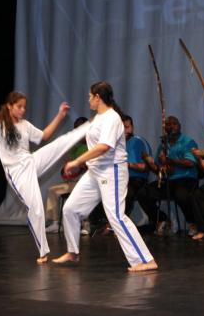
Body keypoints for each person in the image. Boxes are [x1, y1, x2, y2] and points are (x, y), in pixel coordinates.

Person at [0, 90, 88, 264]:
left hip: (31, 161)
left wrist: (60, 115)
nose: (23, 110)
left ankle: (89, 125)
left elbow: (44, 136)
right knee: (36, 209)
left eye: (24, 107)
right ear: (9, 106)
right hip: (17, 173)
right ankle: (43, 252)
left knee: (57, 144)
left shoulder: (25, 125)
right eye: (19, 107)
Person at [53, 82, 157, 272]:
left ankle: (146, 259)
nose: (88, 99)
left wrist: (77, 162)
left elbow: (103, 147)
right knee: (70, 209)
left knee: (116, 216)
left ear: (97, 97)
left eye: (89, 96)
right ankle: (73, 252)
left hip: (112, 171)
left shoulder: (112, 118)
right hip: (95, 171)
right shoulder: (97, 118)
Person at [136, 116, 200, 236]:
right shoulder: (163, 145)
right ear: (165, 128)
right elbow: (159, 170)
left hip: (185, 179)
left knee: (181, 195)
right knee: (143, 193)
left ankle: (193, 223)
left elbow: (190, 163)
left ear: (179, 126)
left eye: (174, 124)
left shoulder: (187, 142)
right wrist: (149, 162)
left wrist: (170, 160)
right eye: (168, 125)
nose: (171, 126)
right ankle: (161, 219)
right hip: (168, 181)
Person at [44, 117, 88, 234]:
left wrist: (81, 166)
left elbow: (91, 166)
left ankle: (85, 225)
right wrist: (67, 170)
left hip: (85, 182)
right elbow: (66, 167)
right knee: (52, 191)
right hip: (71, 182)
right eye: (76, 129)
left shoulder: (92, 144)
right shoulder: (74, 147)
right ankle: (55, 222)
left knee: (82, 195)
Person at [123, 115, 152, 226]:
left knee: (127, 192)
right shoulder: (115, 145)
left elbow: (147, 167)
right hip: (118, 179)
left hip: (136, 179)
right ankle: (103, 222)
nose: (124, 130)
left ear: (132, 127)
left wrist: (128, 165)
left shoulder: (139, 141)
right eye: (121, 128)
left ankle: (121, 224)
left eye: (127, 127)